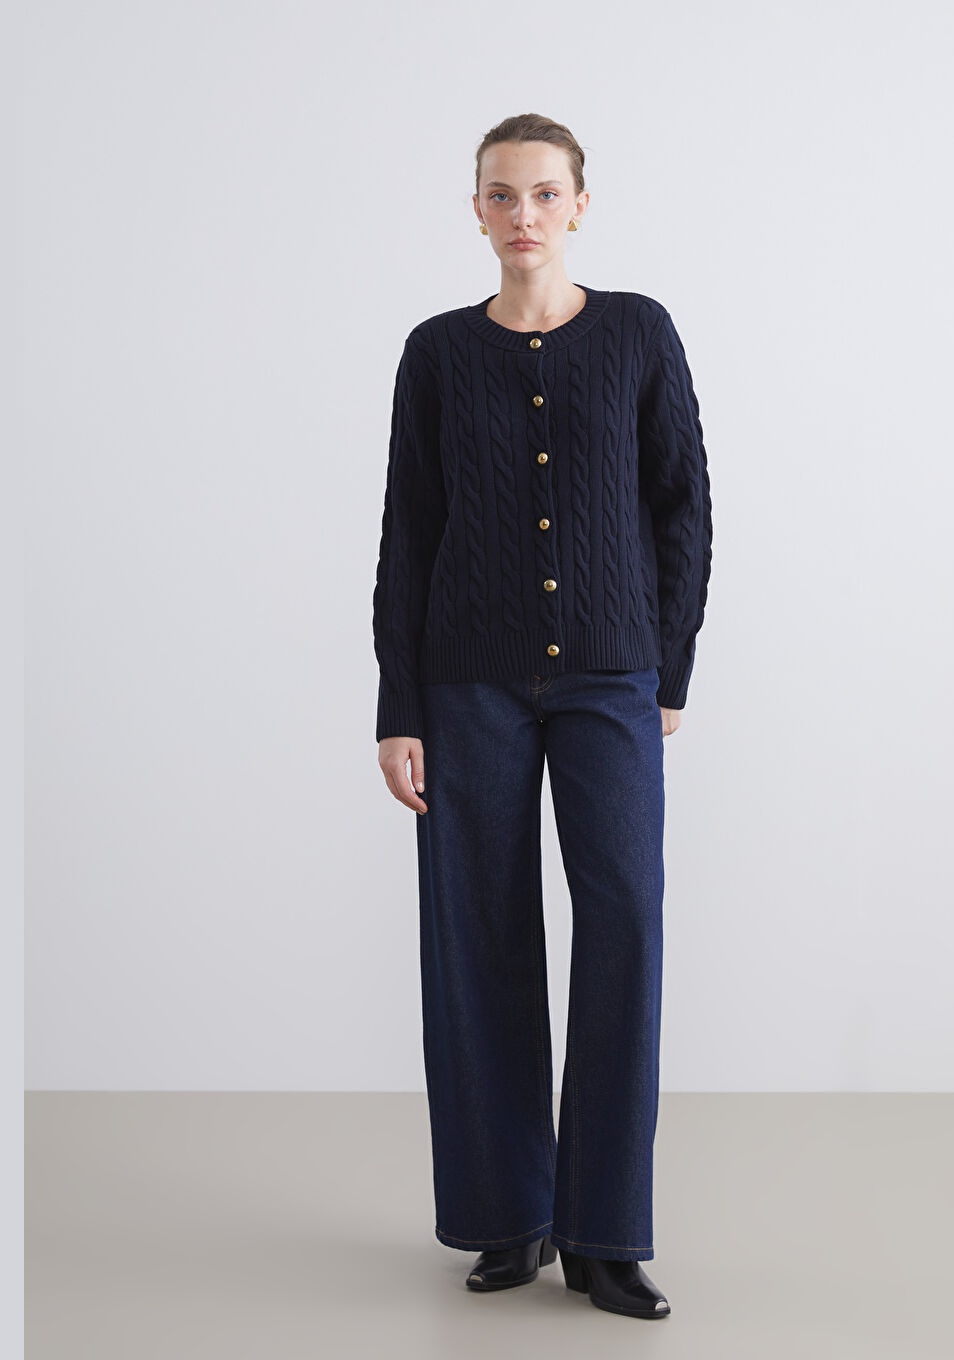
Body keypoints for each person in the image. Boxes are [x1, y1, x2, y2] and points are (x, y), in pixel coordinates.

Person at [372, 112, 712, 1321]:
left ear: (579, 204)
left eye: (545, 193)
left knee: (622, 923)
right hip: (465, 683)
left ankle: (605, 1232)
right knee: (479, 936)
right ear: (476, 209)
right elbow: (409, 529)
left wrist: (667, 669)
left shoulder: (637, 332)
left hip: (610, 677)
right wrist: (398, 705)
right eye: (502, 194)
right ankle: (505, 1215)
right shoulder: (436, 352)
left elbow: (681, 503)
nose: (524, 215)